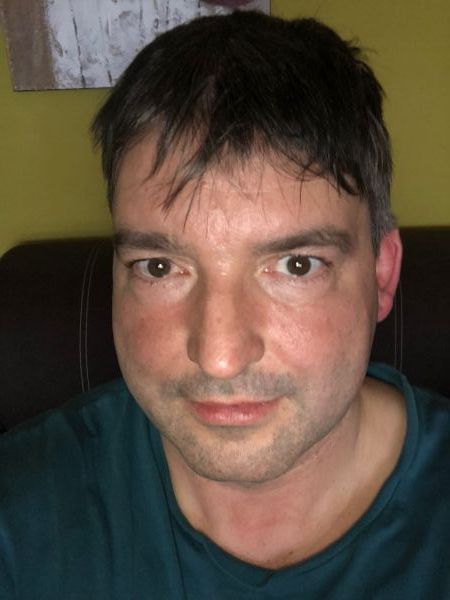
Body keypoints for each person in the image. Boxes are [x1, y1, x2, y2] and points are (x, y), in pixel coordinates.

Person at [1, 10, 449, 599]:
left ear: (382, 275)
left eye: (295, 266)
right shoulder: (18, 513)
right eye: (160, 267)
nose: (219, 356)